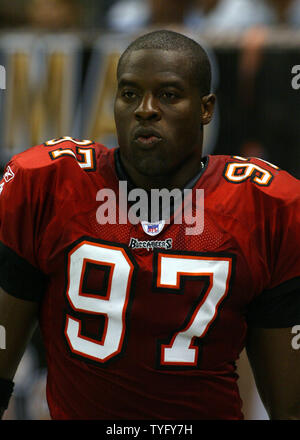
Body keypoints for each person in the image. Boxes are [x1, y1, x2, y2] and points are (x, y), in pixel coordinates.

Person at [0, 30, 300, 420]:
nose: (145, 109)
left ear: (206, 108)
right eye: (129, 94)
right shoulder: (47, 183)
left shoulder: (268, 206)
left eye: (169, 95)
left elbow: (289, 408)